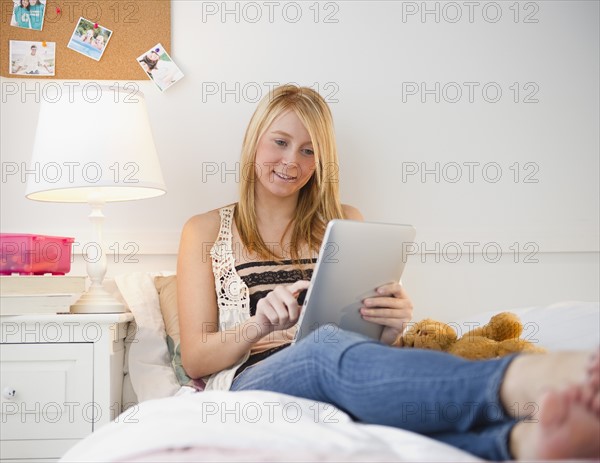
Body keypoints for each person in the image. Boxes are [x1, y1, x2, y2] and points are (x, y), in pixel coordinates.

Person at [177, 84, 600, 461]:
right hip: (253, 379)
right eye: (281, 142)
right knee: (324, 346)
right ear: (254, 143)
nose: (292, 161)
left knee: (381, 414)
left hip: (344, 366)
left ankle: (519, 445)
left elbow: (370, 339)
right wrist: (257, 325)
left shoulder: (344, 221)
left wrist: (391, 325)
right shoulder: (206, 230)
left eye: (309, 150)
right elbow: (196, 358)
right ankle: (527, 382)